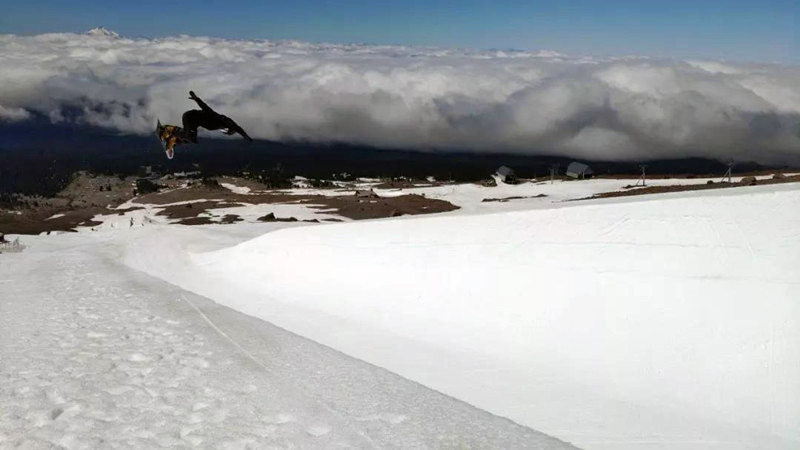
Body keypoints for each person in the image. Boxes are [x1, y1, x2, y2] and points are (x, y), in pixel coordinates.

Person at [182, 91, 253, 143]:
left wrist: (196, 98)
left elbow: (203, 105)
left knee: (193, 135)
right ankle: (186, 135)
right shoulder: (217, 119)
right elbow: (236, 127)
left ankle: (188, 135)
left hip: (191, 118)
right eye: (225, 131)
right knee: (192, 133)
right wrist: (245, 136)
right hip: (189, 117)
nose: (222, 131)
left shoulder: (215, 118)